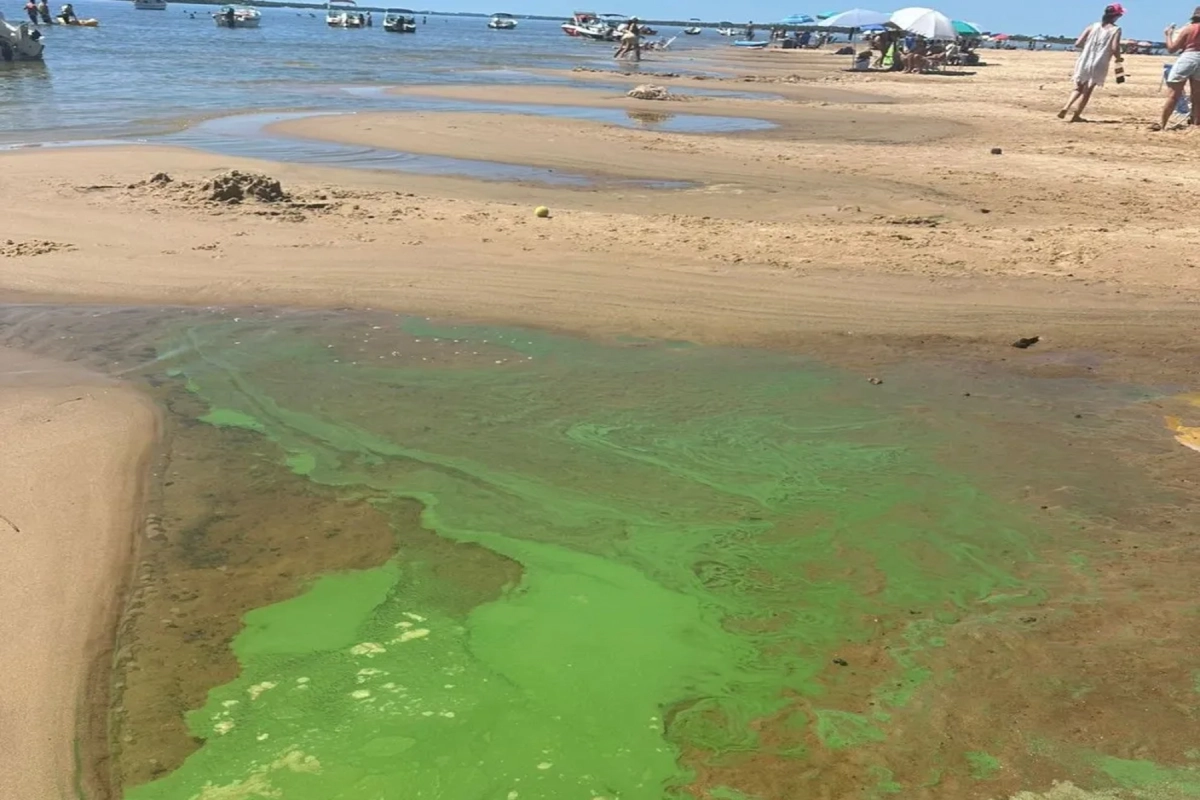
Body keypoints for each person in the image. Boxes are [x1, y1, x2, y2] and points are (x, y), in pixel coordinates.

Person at [1058, 4, 1125, 122]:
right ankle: (1076, 115)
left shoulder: (1093, 26)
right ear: (1116, 16)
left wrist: (1090, 47)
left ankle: (1066, 106)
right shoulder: (1116, 29)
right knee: (1088, 90)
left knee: (1078, 87)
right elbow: (1115, 48)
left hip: (1085, 59)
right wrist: (1118, 58)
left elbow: (1078, 43)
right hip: (1100, 61)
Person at [1158, 7, 1200, 130]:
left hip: (1188, 57)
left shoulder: (1188, 29)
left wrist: (1168, 35)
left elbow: (1172, 48)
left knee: (1173, 95)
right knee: (1197, 96)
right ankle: (1195, 125)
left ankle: (1163, 124)